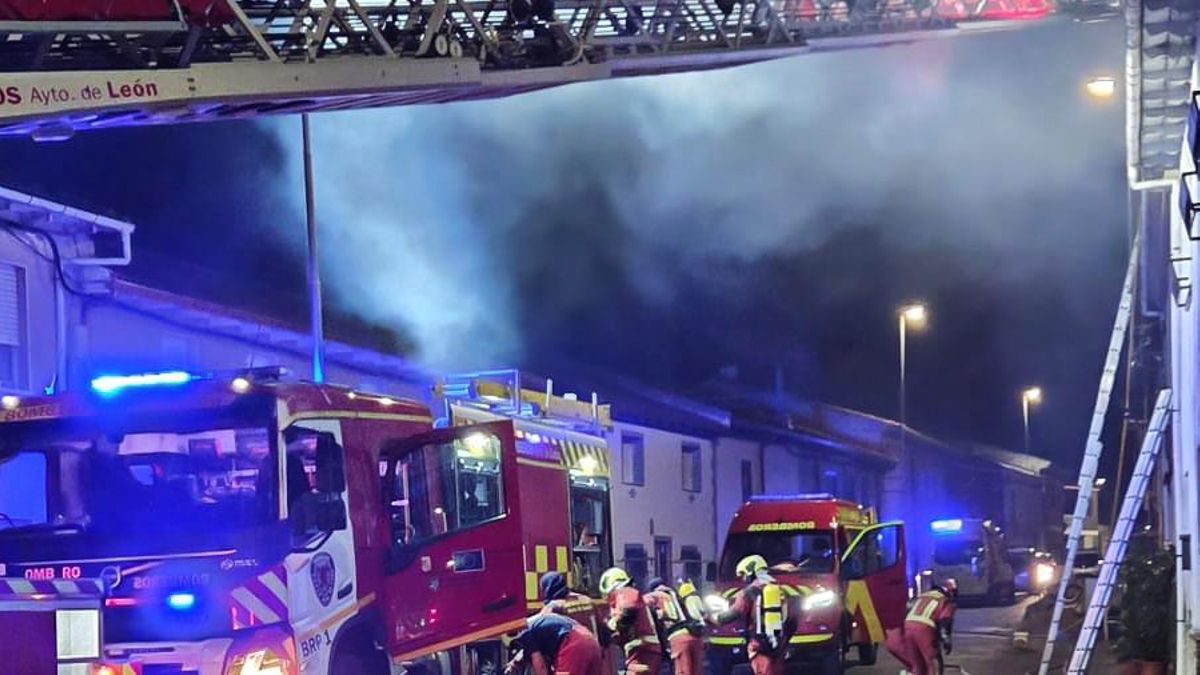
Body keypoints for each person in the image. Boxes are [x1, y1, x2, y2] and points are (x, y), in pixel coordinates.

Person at [709, 555, 795, 675]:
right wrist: (784, 641)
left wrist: (713, 618)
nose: (744, 579)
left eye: (744, 575)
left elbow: (734, 613)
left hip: (759, 644)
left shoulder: (749, 592)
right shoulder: (779, 589)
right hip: (779, 644)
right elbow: (792, 619)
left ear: (750, 572)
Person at [599, 567, 663, 674]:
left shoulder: (626, 591)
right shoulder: (633, 595)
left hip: (642, 651)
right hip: (642, 651)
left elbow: (628, 609)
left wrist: (614, 625)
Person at [886, 578, 957, 675]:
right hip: (925, 629)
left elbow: (906, 610)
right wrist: (946, 639)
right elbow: (945, 621)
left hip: (908, 626)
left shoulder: (921, 597)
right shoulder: (946, 601)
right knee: (932, 663)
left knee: (917, 664)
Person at [505, 613, 604, 675]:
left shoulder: (525, 631)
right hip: (590, 640)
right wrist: (514, 664)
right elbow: (529, 650)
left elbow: (539, 664)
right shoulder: (536, 621)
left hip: (574, 644)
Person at [645, 577, 706, 675]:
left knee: (683, 671)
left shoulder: (655, 595)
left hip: (678, 639)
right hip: (696, 637)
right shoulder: (678, 594)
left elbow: (640, 604)